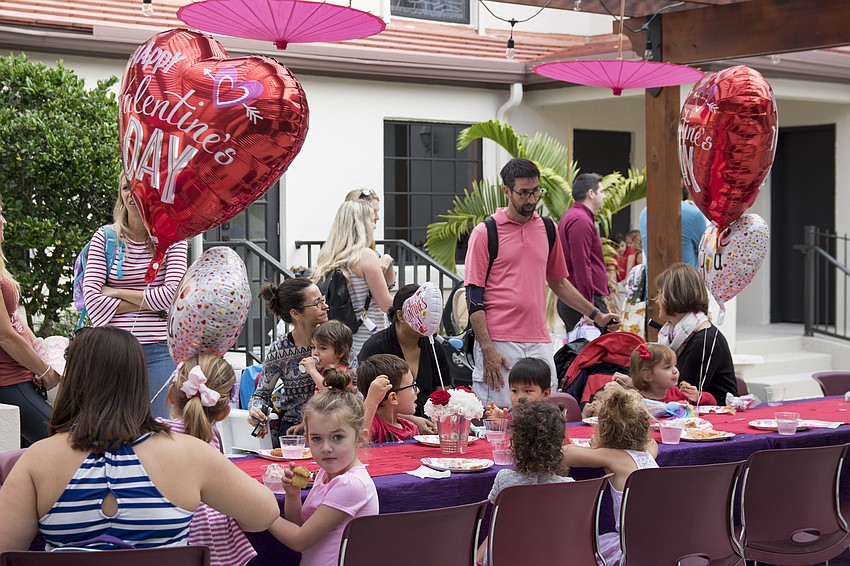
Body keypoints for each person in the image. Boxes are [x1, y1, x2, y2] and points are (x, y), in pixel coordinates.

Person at [0, 326, 279, 553]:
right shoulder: (190, 454)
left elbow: (6, 551)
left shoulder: (38, 458)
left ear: (73, 380)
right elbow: (264, 514)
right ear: (139, 380)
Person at [464, 158, 619, 408]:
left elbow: (559, 283)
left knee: (546, 415)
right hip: (500, 342)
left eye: (536, 191)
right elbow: (473, 297)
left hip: (539, 339)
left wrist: (596, 315)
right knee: (500, 418)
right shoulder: (485, 233)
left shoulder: (548, 229)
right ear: (507, 191)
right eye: (523, 193)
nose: (531, 199)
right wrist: (487, 349)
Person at [82, 177, 188, 419]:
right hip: (113, 347)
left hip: (160, 349)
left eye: (140, 188)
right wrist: (153, 303)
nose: (133, 194)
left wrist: (116, 291)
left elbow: (172, 296)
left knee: (155, 423)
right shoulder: (105, 238)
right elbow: (92, 301)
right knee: (113, 422)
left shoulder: (174, 238)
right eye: (126, 188)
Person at [268, 371, 379, 566]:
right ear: (306, 439)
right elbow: (301, 526)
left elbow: (300, 540)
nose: (326, 448)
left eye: (337, 437)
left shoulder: (351, 484)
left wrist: (263, 515)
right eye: (317, 438)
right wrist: (293, 496)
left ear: (360, 438)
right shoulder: (326, 474)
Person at [161, 353, 257, 566]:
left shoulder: (154, 434)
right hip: (213, 537)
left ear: (171, 395)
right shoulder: (211, 438)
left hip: (172, 537)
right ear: (223, 413)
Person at [562, 388, 658, 566]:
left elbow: (565, 453)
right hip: (660, 542)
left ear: (604, 430)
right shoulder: (647, 453)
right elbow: (653, 443)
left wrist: (597, 446)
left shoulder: (611, 456)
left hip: (630, 547)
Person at [477, 400, 573, 565]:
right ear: (559, 443)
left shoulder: (504, 479)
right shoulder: (569, 485)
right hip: (551, 557)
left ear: (517, 442)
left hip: (504, 557)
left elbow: (496, 525)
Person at [0, 200, 60, 446]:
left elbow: (15, 322)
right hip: (9, 381)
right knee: (65, 441)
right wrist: (44, 371)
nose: (4, 220)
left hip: (21, 377)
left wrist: (40, 355)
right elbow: (5, 336)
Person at [312, 200, 394, 364]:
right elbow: (387, 305)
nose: (375, 225)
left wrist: (387, 261)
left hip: (343, 342)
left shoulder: (329, 256)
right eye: (372, 220)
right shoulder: (365, 255)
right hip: (370, 339)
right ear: (361, 224)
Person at [248, 278, 328, 445]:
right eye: (317, 303)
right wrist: (256, 411)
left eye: (323, 299)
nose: (325, 306)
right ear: (295, 314)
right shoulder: (280, 350)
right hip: (294, 431)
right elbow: (261, 395)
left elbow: (353, 388)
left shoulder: (337, 340)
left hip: (333, 424)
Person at [358, 283, 452, 416]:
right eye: (421, 314)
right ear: (401, 316)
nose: (427, 321)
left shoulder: (434, 347)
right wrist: (411, 421)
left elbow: (444, 389)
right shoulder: (375, 348)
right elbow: (368, 402)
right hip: (390, 427)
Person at [655, 263, 737, 403]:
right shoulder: (676, 335)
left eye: (660, 293)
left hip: (718, 417)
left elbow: (682, 394)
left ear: (675, 296)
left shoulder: (704, 339)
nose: (656, 300)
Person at [557, 172, 611, 331]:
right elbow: (581, 264)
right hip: (583, 301)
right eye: (601, 191)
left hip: (577, 299)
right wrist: (590, 308)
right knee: (598, 352)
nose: (604, 196)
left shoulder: (574, 216)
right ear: (591, 194)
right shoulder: (580, 220)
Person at [621, 343, 717, 405]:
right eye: (667, 367)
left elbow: (712, 401)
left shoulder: (679, 394)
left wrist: (697, 396)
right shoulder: (636, 400)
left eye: (675, 365)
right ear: (647, 375)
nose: (675, 370)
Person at [639, 186, 708, 269]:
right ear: (681, 181)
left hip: (653, 281)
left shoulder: (644, 214)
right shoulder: (694, 214)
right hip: (687, 280)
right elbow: (706, 253)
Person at [358, 354, 419, 443]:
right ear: (393, 398)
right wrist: (372, 401)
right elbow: (357, 439)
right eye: (412, 386)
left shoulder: (412, 428)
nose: (417, 390)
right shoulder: (374, 425)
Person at [484, 357, 552, 420]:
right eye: (515, 391)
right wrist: (500, 423)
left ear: (546, 394)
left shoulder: (551, 420)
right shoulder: (510, 418)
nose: (520, 398)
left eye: (527, 391)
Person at [301, 320, 355, 394]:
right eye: (313, 347)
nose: (315, 353)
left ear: (340, 352)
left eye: (323, 348)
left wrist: (312, 371)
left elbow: (330, 393)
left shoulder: (341, 373)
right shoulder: (323, 369)